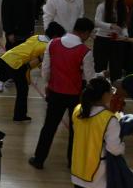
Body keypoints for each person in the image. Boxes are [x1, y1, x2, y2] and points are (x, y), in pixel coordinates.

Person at [69, 75, 126, 188]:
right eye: (111, 92)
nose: (112, 95)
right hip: (98, 171)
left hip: (79, 167)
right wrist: (123, 145)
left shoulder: (78, 110)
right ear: (104, 95)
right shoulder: (109, 119)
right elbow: (115, 149)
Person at [29, 17, 97, 169]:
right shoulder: (85, 52)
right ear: (85, 33)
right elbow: (90, 77)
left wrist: (48, 84)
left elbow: (45, 69)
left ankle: (39, 159)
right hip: (75, 96)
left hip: (55, 92)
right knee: (75, 129)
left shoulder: (53, 43)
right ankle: (72, 162)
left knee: (49, 127)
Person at [94, 0, 130, 80]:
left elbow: (123, 25)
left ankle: (115, 87)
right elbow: (97, 22)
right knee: (100, 67)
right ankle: (99, 87)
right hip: (102, 39)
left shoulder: (124, 8)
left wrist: (125, 35)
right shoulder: (102, 6)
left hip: (117, 40)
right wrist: (110, 25)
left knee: (116, 68)